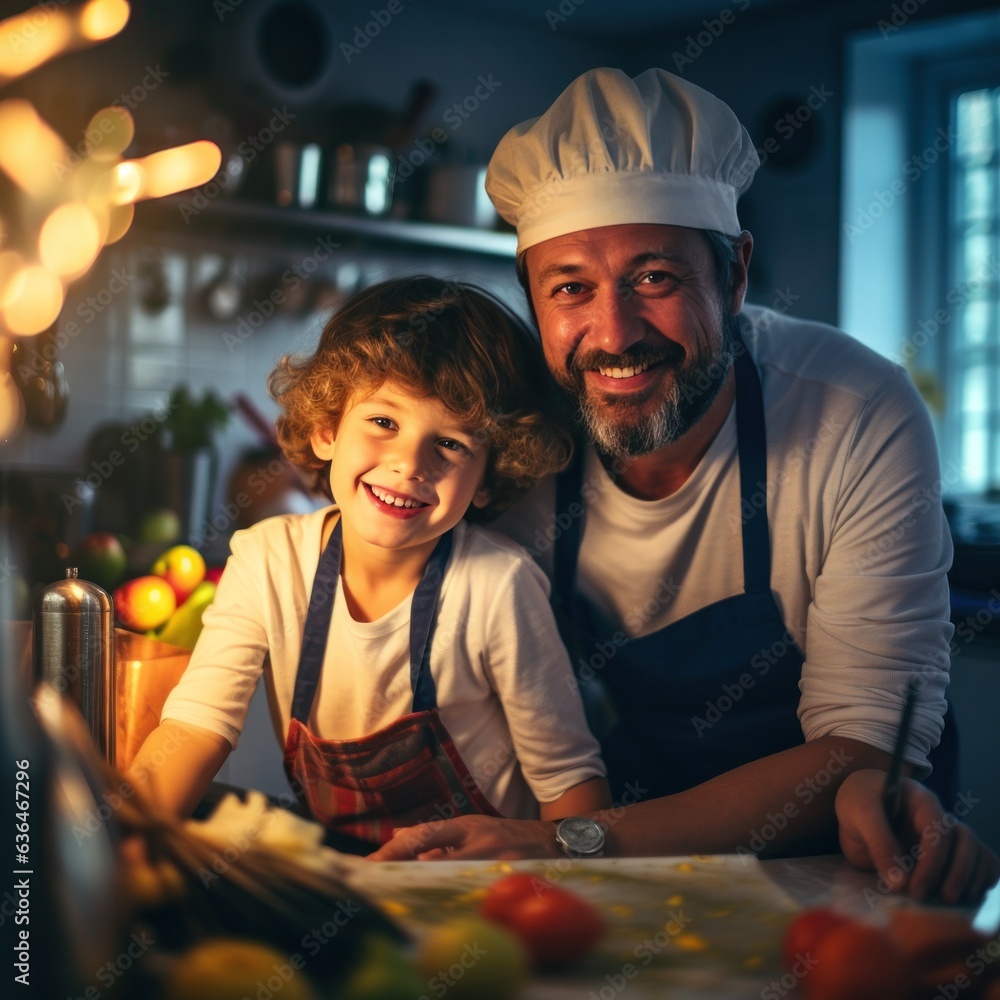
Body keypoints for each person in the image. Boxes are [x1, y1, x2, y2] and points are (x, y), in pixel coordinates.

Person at [370, 68, 1000, 902]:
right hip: (616, 878)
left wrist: (571, 842)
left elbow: (861, 750)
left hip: (846, 878)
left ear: (735, 273)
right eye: (571, 289)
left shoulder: (856, 413)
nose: (615, 333)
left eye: (655, 278)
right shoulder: (508, 441)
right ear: (531, 298)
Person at [127, 275, 610, 852]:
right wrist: (116, 848)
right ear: (326, 427)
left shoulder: (498, 587)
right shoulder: (267, 560)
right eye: (384, 422)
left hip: (479, 896)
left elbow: (572, 787)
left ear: (488, 478)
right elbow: (193, 727)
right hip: (344, 884)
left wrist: (563, 881)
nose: (410, 464)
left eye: (452, 445)